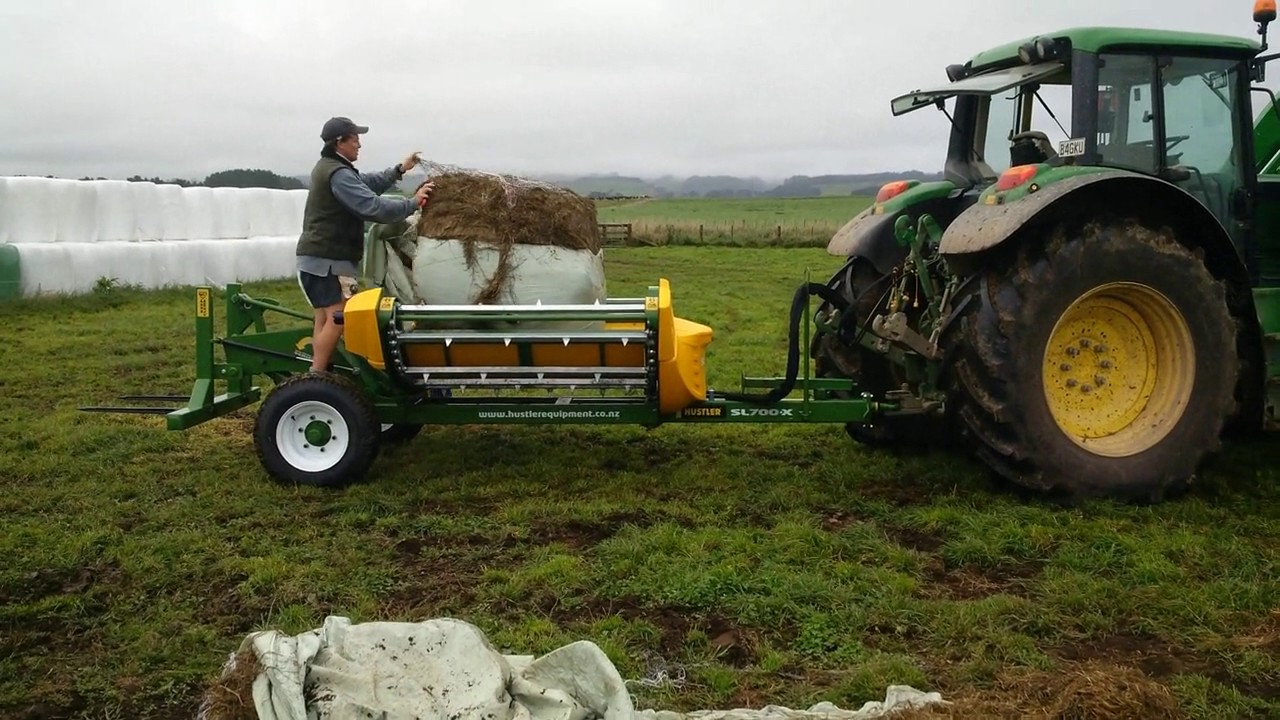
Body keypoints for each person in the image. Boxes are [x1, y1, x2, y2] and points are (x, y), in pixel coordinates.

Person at [295, 116, 434, 373]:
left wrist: (399, 170)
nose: (359, 145)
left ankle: (320, 374)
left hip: (318, 259)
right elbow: (371, 206)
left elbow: (367, 184)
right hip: (328, 262)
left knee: (326, 318)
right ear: (340, 142)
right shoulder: (338, 174)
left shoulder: (333, 168)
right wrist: (412, 203)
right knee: (339, 319)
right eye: (355, 139)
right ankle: (316, 377)